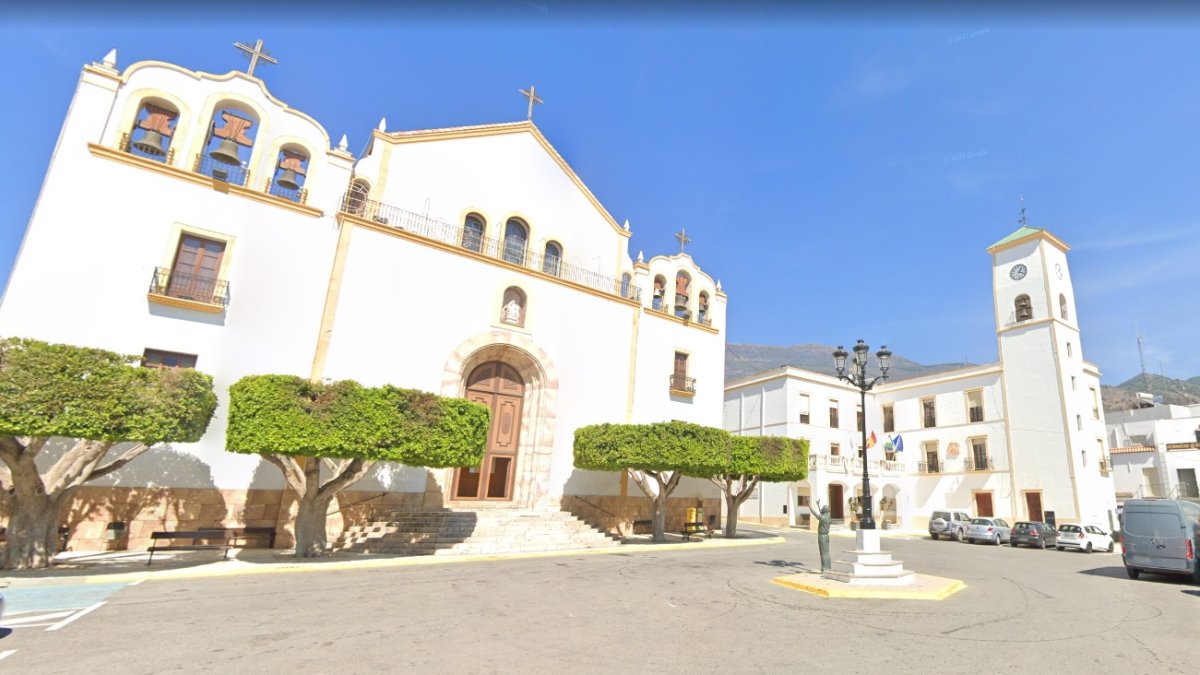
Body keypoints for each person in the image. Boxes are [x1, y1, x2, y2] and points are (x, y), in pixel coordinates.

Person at [808, 498, 832, 572]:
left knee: (823, 553)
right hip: (826, 536)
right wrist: (818, 505)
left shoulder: (823, 518)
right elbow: (821, 513)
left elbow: (814, 513)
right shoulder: (828, 517)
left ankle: (824, 568)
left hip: (822, 536)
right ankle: (828, 567)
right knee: (827, 552)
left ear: (825, 510)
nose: (821, 509)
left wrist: (809, 505)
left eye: (822, 508)